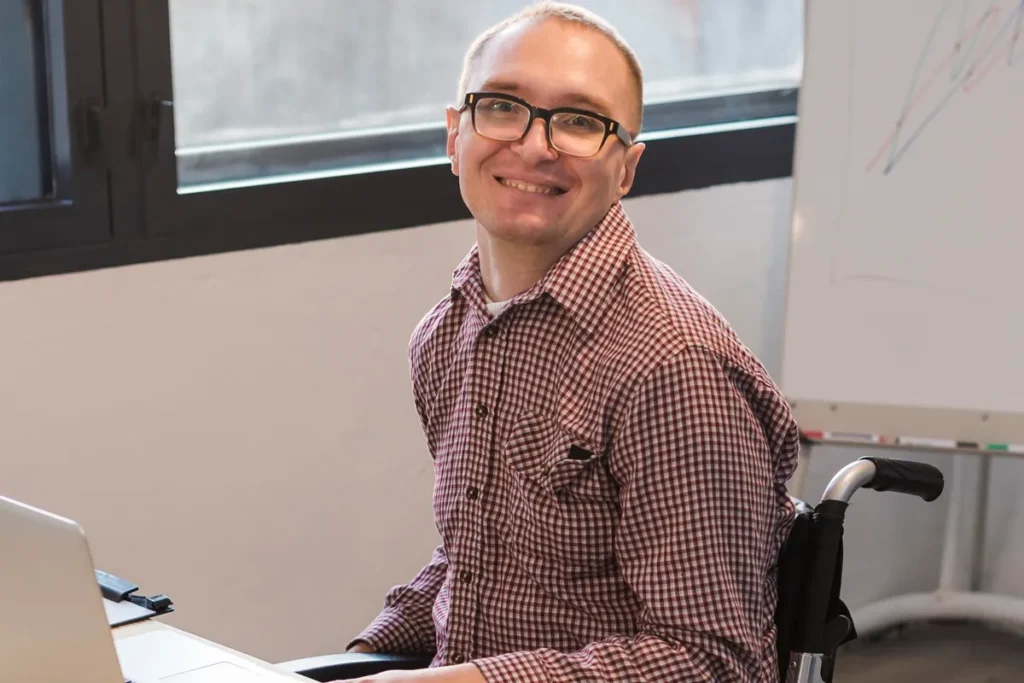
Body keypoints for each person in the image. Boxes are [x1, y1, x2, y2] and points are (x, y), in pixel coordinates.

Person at [345, 2, 800, 681]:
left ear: (626, 168)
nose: (534, 146)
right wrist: (348, 662)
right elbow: (474, 561)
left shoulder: (672, 368)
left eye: (581, 122)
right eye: (503, 105)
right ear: (454, 136)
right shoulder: (447, 335)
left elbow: (712, 662)